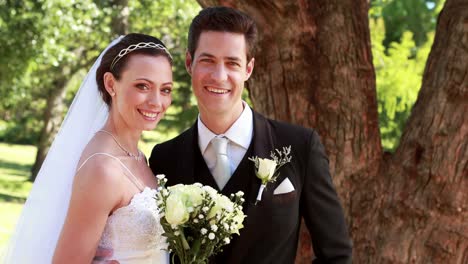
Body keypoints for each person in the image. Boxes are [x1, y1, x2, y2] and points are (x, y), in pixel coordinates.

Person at [149, 6, 353, 264]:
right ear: (190, 63)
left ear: (248, 68)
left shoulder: (300, 146)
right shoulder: (164, 158)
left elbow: (337, 256)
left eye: (232, 63)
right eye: (207, 60)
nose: (219, 76)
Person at [3, 33, 173, 264]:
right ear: (111, 84)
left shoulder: (138, 156)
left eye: (165, 90)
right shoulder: (103, 168)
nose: (156, 101)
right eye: (143, 86)